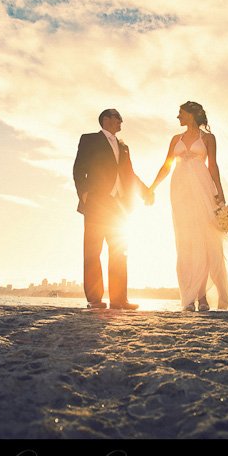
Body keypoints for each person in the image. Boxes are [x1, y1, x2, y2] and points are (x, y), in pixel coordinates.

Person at [149, 101, 228, 311]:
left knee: (204, 239)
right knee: (185, 241)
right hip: (179, 190)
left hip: (202, 186)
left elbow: (213, 165)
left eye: (181, 113)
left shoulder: (208, 138)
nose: (178, 117)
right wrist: (151, 187)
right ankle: (188, 296)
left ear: (191, 115)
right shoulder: (175, 139)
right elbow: (167, 165)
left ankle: (203, 297)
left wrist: (220, 194)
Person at [73, 108, 152, 310]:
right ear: (106, 119)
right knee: (93, 250)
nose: (121, 122)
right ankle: (95, 299)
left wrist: (145, 192)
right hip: (97, 202)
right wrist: (84, 194)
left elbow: (130, 174)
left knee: (119, 250)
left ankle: (119, 300)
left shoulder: (124, 147)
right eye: (118, 118)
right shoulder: (89, 139)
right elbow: (78, 168)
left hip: (120, 205)